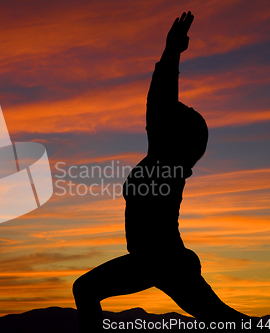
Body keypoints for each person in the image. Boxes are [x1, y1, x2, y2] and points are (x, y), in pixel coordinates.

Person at [72, 12, 250, 332]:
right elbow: (160, 108)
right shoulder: (169, 165)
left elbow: (158, 103)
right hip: (163, 260)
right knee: (225, 320)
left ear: (174, 134)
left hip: (158, 260)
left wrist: (171, 54)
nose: (163, 118)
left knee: (85, 289)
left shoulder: (165, 163)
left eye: (173, 116)